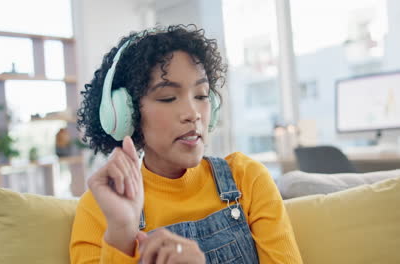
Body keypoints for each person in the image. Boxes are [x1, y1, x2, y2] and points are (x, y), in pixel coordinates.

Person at [70, 24, 302, 264]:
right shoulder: (100, 210)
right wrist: (121, 234)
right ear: (127, 114)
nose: (193, 113)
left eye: (201, 95)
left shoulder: (247, 178)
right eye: (168, 98)